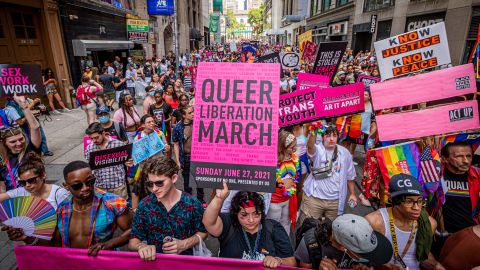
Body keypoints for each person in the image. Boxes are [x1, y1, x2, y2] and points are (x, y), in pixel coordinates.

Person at [2, 161, 132, 256]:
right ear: (66, 186)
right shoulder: (61, 208)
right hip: (71, 264)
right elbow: (55, 244)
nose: (85, 188)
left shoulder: (113, 203)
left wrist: (110, 244)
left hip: (102, 263)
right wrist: (26, 238)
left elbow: (134, 231)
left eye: (90, 182)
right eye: (77, 186)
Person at [128, 156, 208, 260]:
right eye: (150, 184)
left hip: (184, 263)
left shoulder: (192, 204)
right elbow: (133, 240)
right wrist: (141, 246)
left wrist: (185, 244)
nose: (154, 189)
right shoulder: (144, 205)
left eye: (159, 183)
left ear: (174, 178)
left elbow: (203, 232)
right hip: (155, 264)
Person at [203, 182, 296, 268]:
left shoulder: (274, 228)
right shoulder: (229, 225)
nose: (251, 220)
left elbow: (292, 262)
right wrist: (219, 198)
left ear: (262, 212)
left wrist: (278, 260)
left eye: (256, 214)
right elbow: (208, 222)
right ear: (236, 214)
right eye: (244, 215)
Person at [365, 175, 445, 270]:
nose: (416, 208)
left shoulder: (429, 224)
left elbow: (423, 255)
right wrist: (384, 266)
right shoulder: (374, 222)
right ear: (391, 199)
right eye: (409, 202)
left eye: (420, 201)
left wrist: (435, 265)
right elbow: (362, 256)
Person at [299, 124, 357, 223]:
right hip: (314, 199)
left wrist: (352, 193)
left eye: (334, 136)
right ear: (322, 137)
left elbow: (350, 175)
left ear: (338, 137)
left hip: (335, 201)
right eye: (328, 136)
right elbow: (310, 147)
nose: (331, 139)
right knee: (307, 228)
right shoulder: (318, 149)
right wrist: (314, 129)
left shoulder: (345, 153)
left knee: (331, 232)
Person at [432, 142, 480, 257]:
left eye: (468, 156)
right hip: (439, 236)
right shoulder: (434, 174)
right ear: (444, 159)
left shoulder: (478, 176)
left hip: (470, 236)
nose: (466, 161)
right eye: (459, 156)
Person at [295, 214, 393, 269]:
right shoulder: (311, 245)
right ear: (343, 248)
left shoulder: (356, 231)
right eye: (364, 255)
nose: (368, 258)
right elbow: (304, 267)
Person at [0, 94, 42, 192]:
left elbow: (35, 127)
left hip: (35, 199)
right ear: (4, 143)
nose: (18, 143)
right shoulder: (2, 161)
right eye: (13, 141)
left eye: (21, 139)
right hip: (15, 203)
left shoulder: (30, 152)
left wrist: (23, 105)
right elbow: (1, 187)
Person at [0, 152, 69, 209]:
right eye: (22, 182)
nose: (27, 185)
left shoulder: (59, 194)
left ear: (43, 175)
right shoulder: (21, 192)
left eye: (31, 180)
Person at [267, 130, 300, 236]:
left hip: (288, 199)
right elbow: (269, 180)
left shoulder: (295, 158)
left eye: (296, 145)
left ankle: (283, 247)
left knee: (286, 224)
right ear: (283, 147)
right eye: (292, 147)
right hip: (275, 201)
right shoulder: (272, 160)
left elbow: (296, 177)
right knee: (273, 227)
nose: (295, 149)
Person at [85, 123, 128, 199]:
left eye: (96, 137)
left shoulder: (118, 144)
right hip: (100, 187)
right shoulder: (89, 148)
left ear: (103, 133)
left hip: (118, 186)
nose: (94, 140)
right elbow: (90, 166)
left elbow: (127, 162)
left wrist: (129, 162)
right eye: (91, 138)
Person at [172, 106, 204, 204]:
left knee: (199, 179)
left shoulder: (199, 124)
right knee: (187, 180)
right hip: (185, 158)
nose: (193, 114)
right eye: (190, 113)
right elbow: (176, 144)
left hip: (198, 157)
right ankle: (189, 201)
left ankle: (200, 199)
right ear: (183, 115)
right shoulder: (177, 127)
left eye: (193, 112)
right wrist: (178, 161)